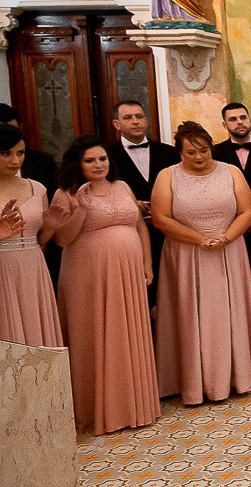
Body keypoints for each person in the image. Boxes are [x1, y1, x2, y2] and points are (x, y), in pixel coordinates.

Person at [50, 136, 159, 434]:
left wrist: (147, 264)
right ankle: (98, 410)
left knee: (128, 333)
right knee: (95, 334)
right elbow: (62, 239)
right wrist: (81, 208)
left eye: (102, 159)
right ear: (77, 163)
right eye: (90, 160)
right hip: (88, 276)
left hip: (128, 275)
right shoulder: (65, 193)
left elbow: (139, 226)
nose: (98, 165)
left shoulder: (122, 186)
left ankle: (135, 406)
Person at [151, 121, 251, 404]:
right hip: (185, 253)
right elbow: (161, 218)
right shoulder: (167, 176)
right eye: (191, 153)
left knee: (230, 312)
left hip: (229, 250)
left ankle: (238, 376)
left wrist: (227, 237)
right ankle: (192, 382)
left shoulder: (231, 171)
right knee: (189, 315)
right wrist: (199, 238)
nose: (199, 156)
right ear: (180, 152)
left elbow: (247, 211)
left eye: (203, 150)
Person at [107, 99, 180, 312]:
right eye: (128, 118)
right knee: (137, 293)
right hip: (129, 234)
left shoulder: (169, 153)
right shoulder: (106, 156)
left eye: (139, 116)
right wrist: (131, 204)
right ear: (116, 124)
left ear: (146, 120)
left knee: (172, 291)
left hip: (169, 231)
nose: (135, 121)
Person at [0, 124, 62, 347]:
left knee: (37, 332)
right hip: (3, 267)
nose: (15, 160)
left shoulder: (37, 188)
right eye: (6, 153)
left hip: (34, 267)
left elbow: (41, 241)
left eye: (20, 153)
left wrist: (51, 226)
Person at [212, 102, 251, 297]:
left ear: (250, 120)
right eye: (233, 119)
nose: (239, 122)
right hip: (231, 226)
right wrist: (241, 220)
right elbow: (215, 192)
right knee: (235, 282)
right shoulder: (214, 153)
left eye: (243, 117)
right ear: (224, 125)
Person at [0, 103, 57, 193]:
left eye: (13, 131)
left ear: (20, 127)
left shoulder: (42, 161)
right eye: (6, 153)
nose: (15, 161)